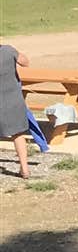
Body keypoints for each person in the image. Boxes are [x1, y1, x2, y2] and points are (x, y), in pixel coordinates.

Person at [0, 40, 33, 178]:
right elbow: (25, 62)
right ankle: (24, 168)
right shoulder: (8, 50)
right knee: (18, 134)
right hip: (12, 97)